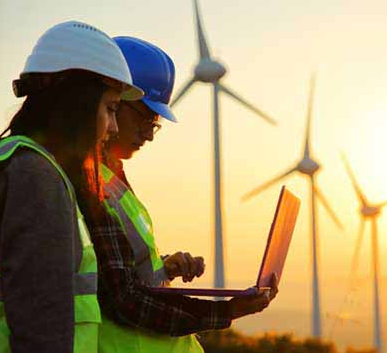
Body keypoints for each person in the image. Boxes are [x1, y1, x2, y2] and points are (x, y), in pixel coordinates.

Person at [92, 36, 278, 353]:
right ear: (115, 100)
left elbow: (118, 271)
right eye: (147, 118)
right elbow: (122, 300)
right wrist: (228, 311)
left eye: (157, 124)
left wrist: (164, 268)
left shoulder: (114, 179)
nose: (150, 134)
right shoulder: (87, 184)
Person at [0, 21, 143, 353]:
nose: (113, 127)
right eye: (110, 109)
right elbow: (42, 328)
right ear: (78, 102)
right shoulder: (35, 178)